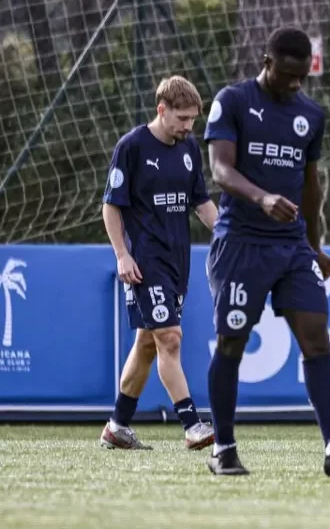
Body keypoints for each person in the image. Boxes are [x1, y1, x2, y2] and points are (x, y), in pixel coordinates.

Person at [204, 27, 330, 476]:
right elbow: (221, 169)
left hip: (291, 247)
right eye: (287, 74)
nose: (295, 84)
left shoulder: (310, 115)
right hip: (242, 243)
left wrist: (315, 248)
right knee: (232, 343)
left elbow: (310, 186)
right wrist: (261, 198)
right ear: (267, 61)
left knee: (317, 338)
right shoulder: (234, 100)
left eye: (302, 76)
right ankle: (222, 448)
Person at [100, 76, 218, 451]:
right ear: (161, 109)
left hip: (176, 261)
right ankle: (191, 424)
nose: (187, 126)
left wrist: (229, 235)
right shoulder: (132, 146)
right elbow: (111, 205)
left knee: (148, 345)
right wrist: (122, 254)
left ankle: (117, 427)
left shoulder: (189, 150)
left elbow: (201, 203)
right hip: (144, 262)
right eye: (181, 118)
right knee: (169, 338)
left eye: (193, 120)